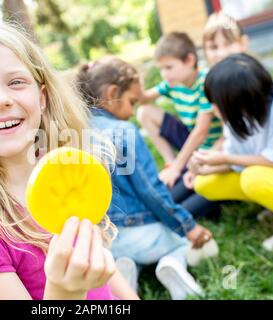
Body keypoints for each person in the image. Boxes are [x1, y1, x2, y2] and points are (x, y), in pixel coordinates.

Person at [0, 22, 138, 300]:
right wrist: (65, 290)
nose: (0, 100)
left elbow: (108, 280)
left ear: (41, 98)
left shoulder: (67, 175)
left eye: (16, 82)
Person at [77, 56, 214, 300]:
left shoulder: (74, 129)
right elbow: (151, 191)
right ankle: (172, 264)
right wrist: (188, 227)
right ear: (111, 94)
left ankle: (126, 270)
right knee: (180, 242)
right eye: (131, 102)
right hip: (142, 234)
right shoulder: (124, 131)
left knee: (127, 254)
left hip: (105, 241)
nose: (131, 112)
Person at [190, 53, 273, 251]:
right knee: (204, 183)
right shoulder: (240, 116)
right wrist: (205, 167)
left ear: (237, 99)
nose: (213, 107)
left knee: (253, 178)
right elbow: (241, 161)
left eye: (217, 102)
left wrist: (224, 158)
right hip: (270, 174)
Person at [136, 32, 222, 219]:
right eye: (161, 68)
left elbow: (201, 131)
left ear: (190, 60)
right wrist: (136, 84)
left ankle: (179, 169)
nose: (164, 74)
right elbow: (143, 99)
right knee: (144, 111)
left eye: (169, 67)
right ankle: (172, 162)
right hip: (190, 142)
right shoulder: (173, 83)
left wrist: (177, 168)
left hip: (209, 148)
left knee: (174, 202)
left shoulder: (206, 82)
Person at [174, 12, 250, 219]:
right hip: (225, 157)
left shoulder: (251, 81)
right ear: (205, 52)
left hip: (246, 164)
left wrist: (208, 165)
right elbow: (226, 134)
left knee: (184, 211)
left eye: (229, 44)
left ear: (243, 43)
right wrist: (200, 164)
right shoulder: (213, 82)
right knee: (174, 195)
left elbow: (240, 139)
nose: (221, 53)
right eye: (214, 47)